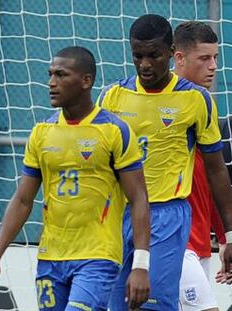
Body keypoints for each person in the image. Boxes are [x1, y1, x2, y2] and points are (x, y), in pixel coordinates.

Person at [0, 46, 151, 311]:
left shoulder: (115, 130)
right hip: (50, 257)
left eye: (61, 75)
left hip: (98, 257)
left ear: (86, 81)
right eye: (50, 74)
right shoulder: (42, 132)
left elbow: (139, 198)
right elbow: (23, 200)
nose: (51, 83)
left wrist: (140, 265)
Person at [99, 14, 232, 311]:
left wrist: (229, 233)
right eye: (138, 56)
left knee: (153, 304)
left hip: (166, 215)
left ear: (171, 53)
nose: (145, 64)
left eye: (154, 55)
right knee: (116, 305)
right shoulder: (112, 97)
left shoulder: (195, 99)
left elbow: (216, 168)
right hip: (119, 215)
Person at [174, 20, 227, 311]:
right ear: (179, 58)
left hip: (200, 240)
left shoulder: (205, 103)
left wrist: (225, 237)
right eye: (204, 58)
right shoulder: (159, 105)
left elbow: (214, 177)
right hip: (172, 239)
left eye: (215, 58)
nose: (213, 66)